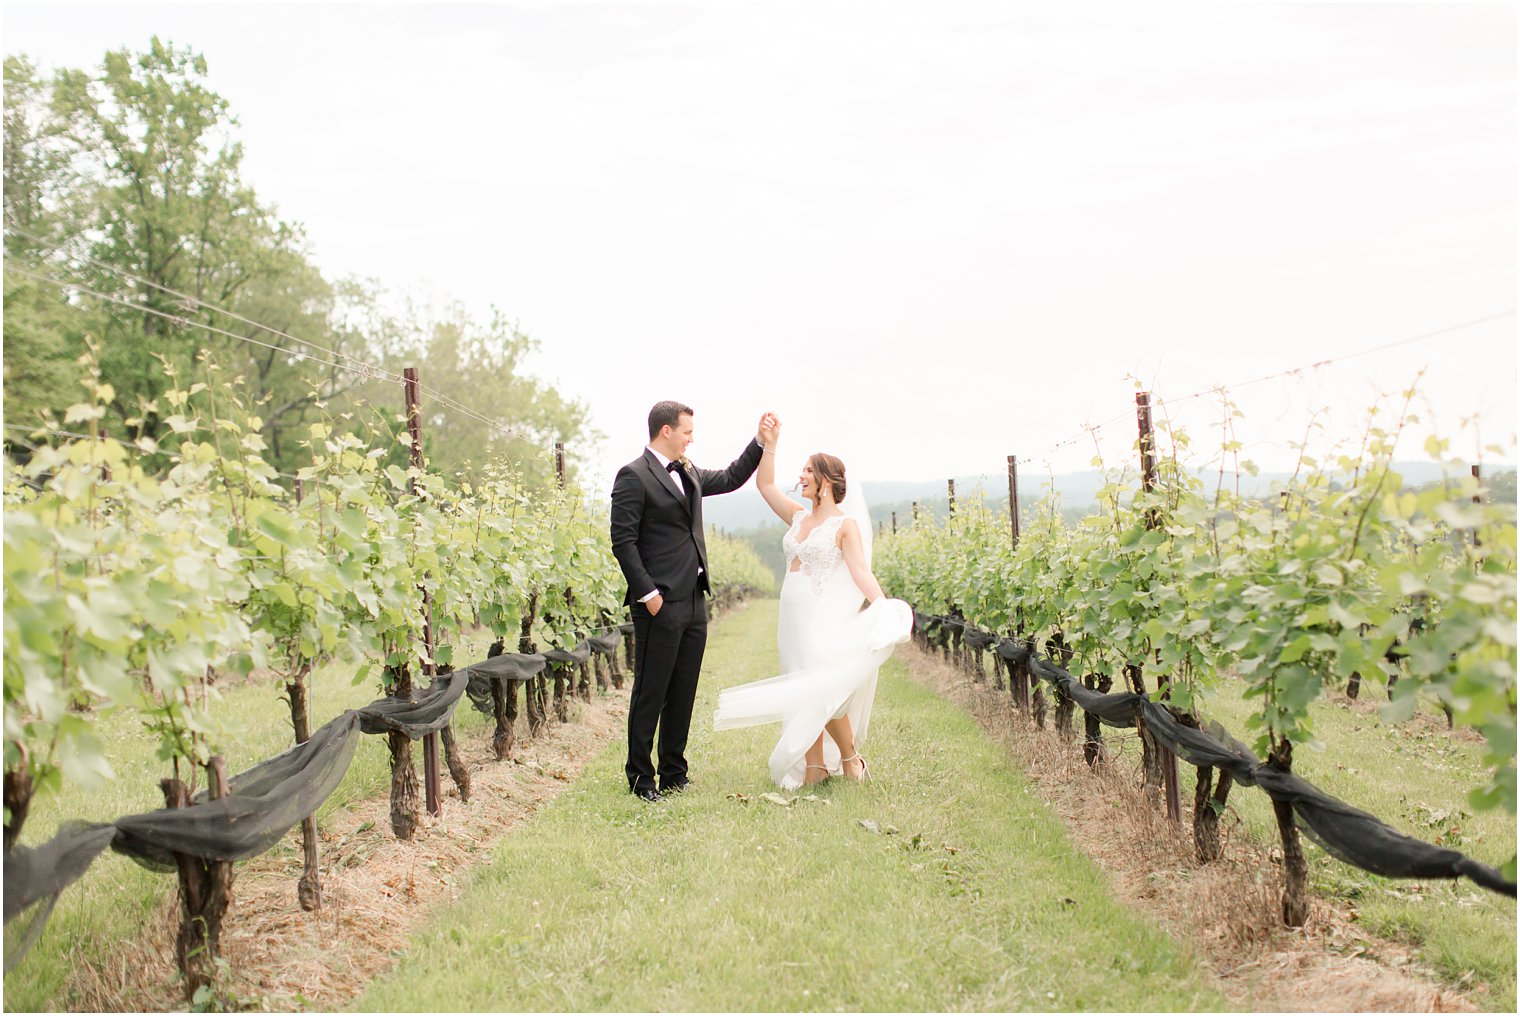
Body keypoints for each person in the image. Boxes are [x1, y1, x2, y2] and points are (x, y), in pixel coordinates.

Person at [713, 417, 912, 788]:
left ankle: (851, 759)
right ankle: (815, 767)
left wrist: (882, 606)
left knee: (825, 689)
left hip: (822, 616)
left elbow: (859, 572)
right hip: (790, 619)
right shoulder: (798, 515)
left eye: (808, 471)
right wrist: (770, 443)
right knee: (803, 687)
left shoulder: (845, 526)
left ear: (827, 481)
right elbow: (765, 484)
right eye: (801, 469)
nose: (801, 476)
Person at [610, 401, 771, 802]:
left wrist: (760, 442)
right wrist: (649, 595)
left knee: (683, 689)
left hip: (695, 600)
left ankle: (674, 772)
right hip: (659, 602)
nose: (691, 438)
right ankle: (640, 778)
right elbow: (623, 542)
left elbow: (733, 476)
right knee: (652, 690)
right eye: (687, 431)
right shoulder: (633, 476)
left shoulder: (689, 471)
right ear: (666, 431)